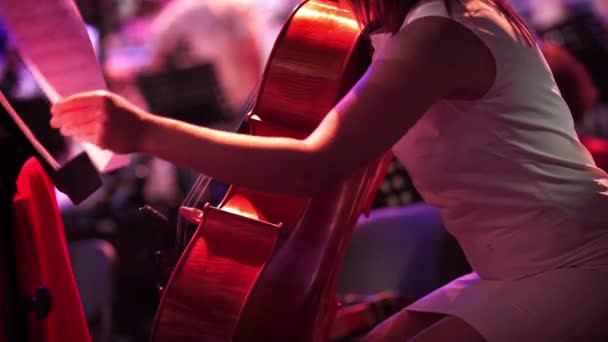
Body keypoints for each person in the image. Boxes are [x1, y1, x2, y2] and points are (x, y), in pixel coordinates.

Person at [50, 0, 608, 340]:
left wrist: (144, 132)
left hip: (577, 263)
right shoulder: (396, 32)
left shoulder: (445, 30)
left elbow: (312, 165)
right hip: (507, 272)